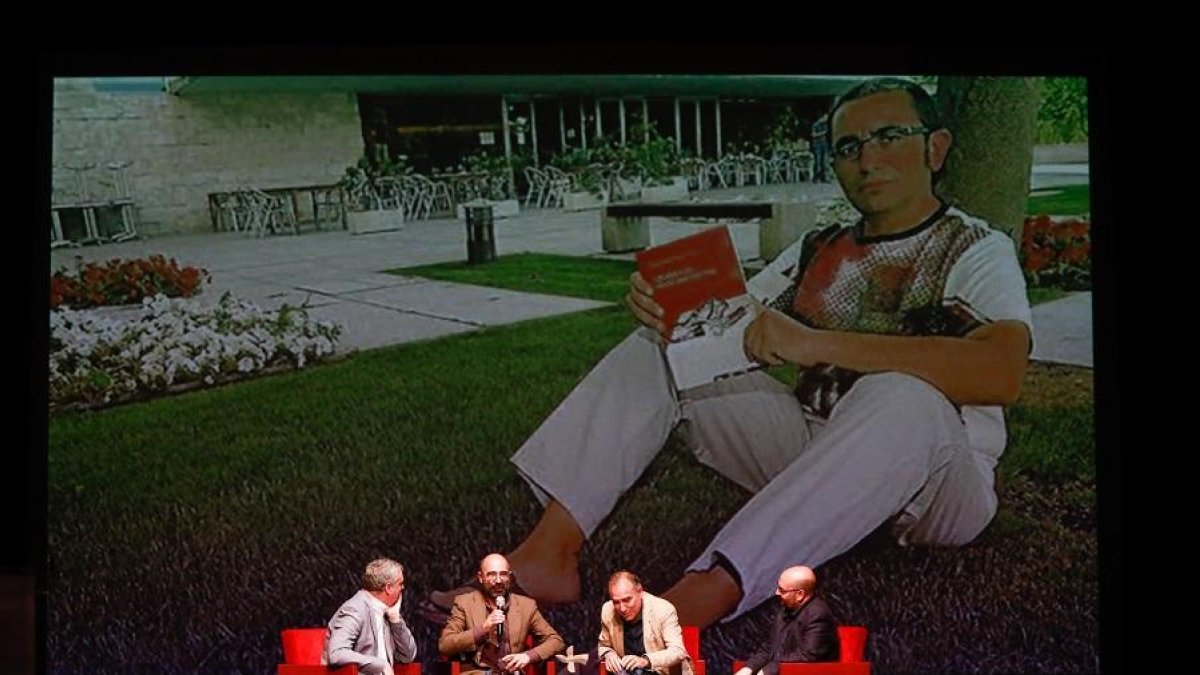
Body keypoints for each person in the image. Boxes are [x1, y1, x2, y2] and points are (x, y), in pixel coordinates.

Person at [430, 76, 1033, 630]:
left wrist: (812, 342)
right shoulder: (819, 247)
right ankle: (548, 554)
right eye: (848, 146)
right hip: (816, 450)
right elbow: (738, 323)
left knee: (903, 394)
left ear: (935, 148)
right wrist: (668, 307)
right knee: (662, 347)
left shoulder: (974, 247)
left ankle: (704, 592)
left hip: (938, 483)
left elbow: (1001, 372)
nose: (867, 158)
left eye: (889, 136)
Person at [438, 553, 565, 674]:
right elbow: (445, 645)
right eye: (491, 575)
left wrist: (528, 656)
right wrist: (482, 629)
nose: (498, 580)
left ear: (509, 577)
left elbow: (556, 641)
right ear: (480, 578)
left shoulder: (526, 606)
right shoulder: (465, 603)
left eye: (503, 574)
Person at [735, 566, 837, 675]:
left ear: (800, 594)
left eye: (782, 590)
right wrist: (749, 668)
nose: (776, 593)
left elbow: (806, 656)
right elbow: (769, 648)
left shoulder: (818, 615)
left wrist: (766, 671)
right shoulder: (785, 611)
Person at [325, 557, 417, 675]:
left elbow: (408, 656)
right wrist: (380, 665)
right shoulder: (355, 609)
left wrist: (396, 620)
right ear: (388, 588)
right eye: (400, 584)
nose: (403, 587)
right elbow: (337, 653)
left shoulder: (388, 611)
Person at [597, 571, 693, 675]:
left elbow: (678, 652)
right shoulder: (608, 610)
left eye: (627, 600)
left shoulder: (663, 609)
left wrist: (646, 661)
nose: (622, 608)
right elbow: (604, 645)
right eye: (616, 602)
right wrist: (609, 654)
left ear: (640, 592)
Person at [810, 116, 830, 182]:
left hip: (824, 144)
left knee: (825, 162)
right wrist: (822, 133)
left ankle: (824, 177)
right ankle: (815, 177)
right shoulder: (816, 125)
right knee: (817, 161)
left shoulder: (825, 125)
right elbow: (813, 135)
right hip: (817, 145)